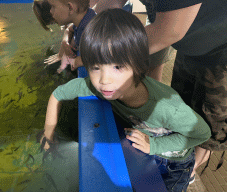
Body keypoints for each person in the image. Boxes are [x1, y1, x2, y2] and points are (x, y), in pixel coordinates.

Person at [41, 9, 211, 191]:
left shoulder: (165, 107)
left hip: (175, 164)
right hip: (147, 150)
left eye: (118, 66)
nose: (104, 80)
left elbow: (202, 134)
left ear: (138, 66)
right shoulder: (97, 85)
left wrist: (154, 145)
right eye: (95, 67)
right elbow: (58, 94)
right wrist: (48, 134)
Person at [90, 0, 227, 183]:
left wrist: (155, 145)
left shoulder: (166, 106)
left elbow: (169, 31)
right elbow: (110, 2)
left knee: (209, 125)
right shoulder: (169, 106)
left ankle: (188, 172)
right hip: (190, 44)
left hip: (221, 51)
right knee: (185, 105)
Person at [34, 0, 96, 73]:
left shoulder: (88, 32)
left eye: (53, 7)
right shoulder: (85, 16)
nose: (50, 11)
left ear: (70, 8)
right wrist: (64, 40)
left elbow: (98, 56)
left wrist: (75, 61)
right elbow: (69, 29)